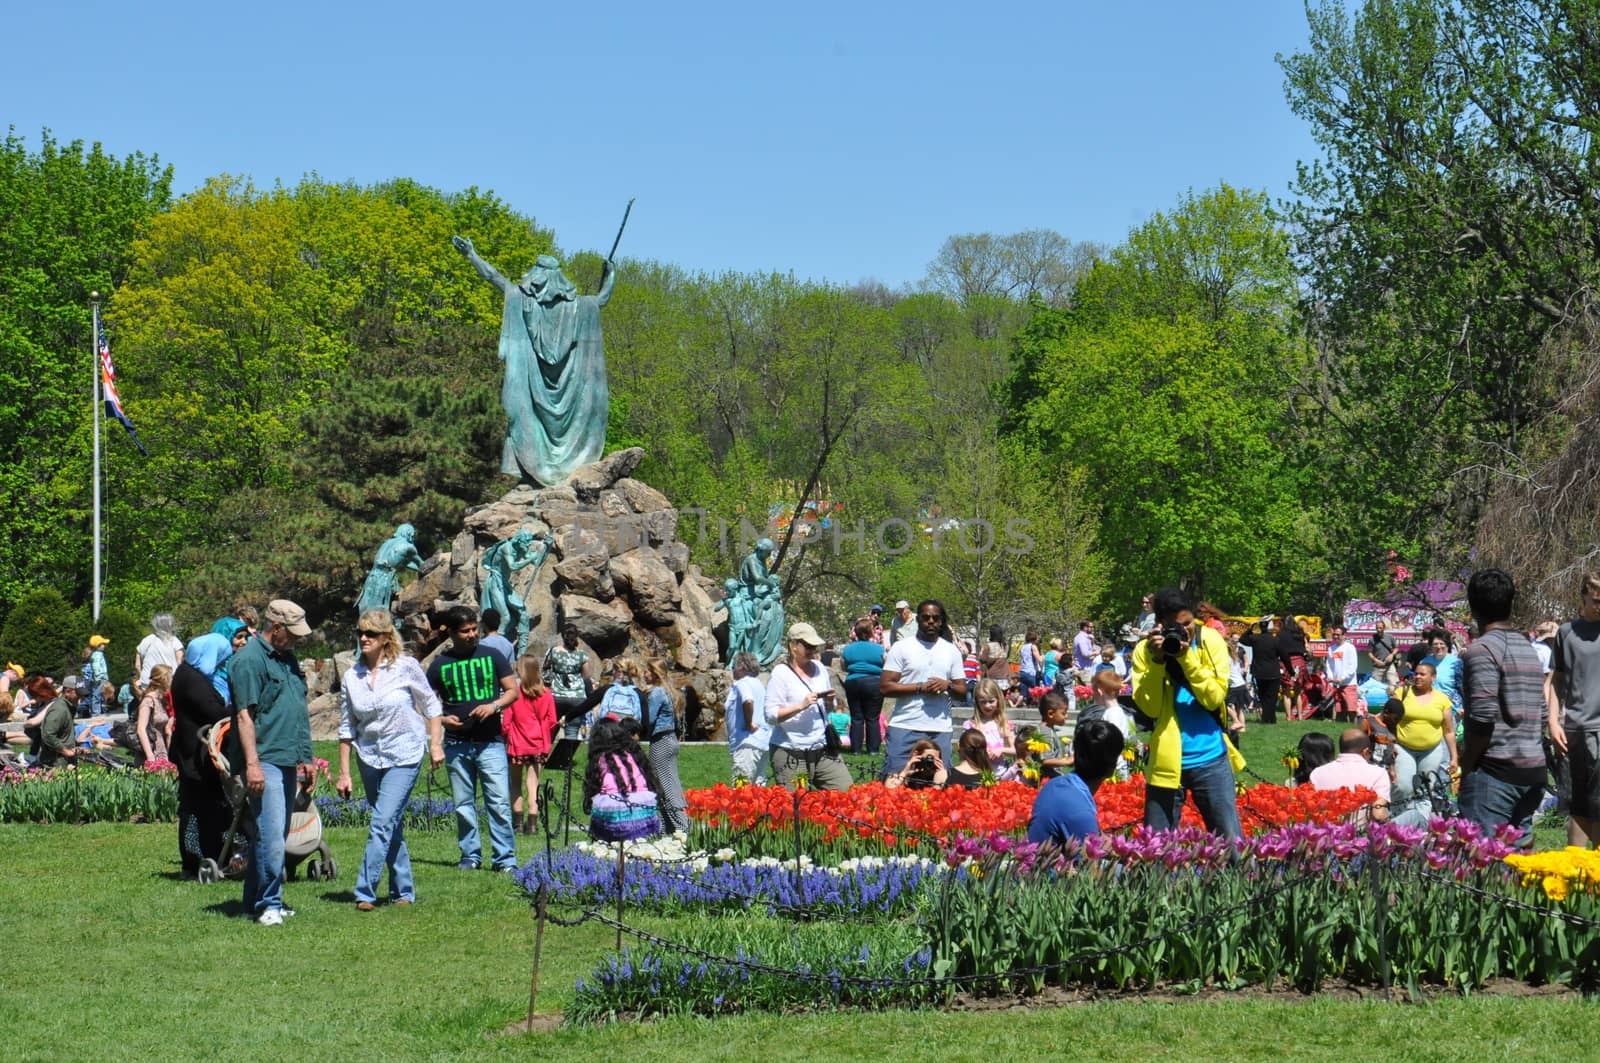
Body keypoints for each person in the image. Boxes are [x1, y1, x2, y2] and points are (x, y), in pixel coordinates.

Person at [451, 236, 616, 485]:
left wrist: (472, 255)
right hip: (564, 398)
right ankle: (558, 471)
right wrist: (610, 275)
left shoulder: (521, 300)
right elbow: (602, 299)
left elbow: (494, 276)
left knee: (518, 415)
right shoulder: (581, 307)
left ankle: (536, 474)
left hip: (530, 393)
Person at [335, 609, 445, 910]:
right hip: (370, 757)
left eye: (371, 633)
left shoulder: (405, 667)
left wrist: (435, 744)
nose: (364, 638)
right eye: (360, 633)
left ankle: (365, 892)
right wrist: (344, 773)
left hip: (405, 753)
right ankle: (403, 891)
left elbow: (432, 706)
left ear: (386, 638)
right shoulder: (351, 676)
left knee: (381, 821)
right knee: (391, 823)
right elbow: (346, 727)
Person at [1132, 586, 1245, 839]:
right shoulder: (1145, 651)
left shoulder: (1209, 640)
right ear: (1160, 624)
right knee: (1155, 850)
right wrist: (1158, 662)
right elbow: (1149, 707)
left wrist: (1187, 658)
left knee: (1232, 844)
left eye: (1187, 623)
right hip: (1165, 761)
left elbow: (1214, 698)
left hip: (1211, 757)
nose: (1183, 631)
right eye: (1175, 626)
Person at [230, 599, 316, 926]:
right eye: (291, 633)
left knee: (272, 833)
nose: (296, 639)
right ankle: (270, 904)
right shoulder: (248, 661)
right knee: (271, 835)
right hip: (263, 757)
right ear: (276, 628)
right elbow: (244, 717)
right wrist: (252, 764)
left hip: (287, 756)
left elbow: (297, 711)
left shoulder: (287, 659)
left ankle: (255, 900)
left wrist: (306, 758)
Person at [425, 605, 518, 873]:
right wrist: (441, 719)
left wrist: (494, 706)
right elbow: (424, 701)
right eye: (465, 631)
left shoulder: (493, 655)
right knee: (463, 805)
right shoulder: (440, 664)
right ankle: (470, 855)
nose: (472, 635)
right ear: (452, 633)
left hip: (490, 742)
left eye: (474, 629)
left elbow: (513, 691)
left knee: (499, 802)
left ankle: (505, 860)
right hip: (456, 744)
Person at [1457, 569, 1547, 843]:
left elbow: (1482, 719)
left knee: (1483, 863)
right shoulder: (1529, 649)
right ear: (1510, 603)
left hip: (1495, 772)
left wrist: (1467, 766)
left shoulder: (1481, 650)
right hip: (1532, 769)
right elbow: (1542, 713)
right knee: (1517, 865)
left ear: (1473, 607)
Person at [171, 633, 236, 878]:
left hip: (194, 752)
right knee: (199, 807)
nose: (221, 662)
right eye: (220, 657)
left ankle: (210, 854)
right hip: (194, 756)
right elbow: (213, 711)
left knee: (202, 805)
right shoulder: (192, 680)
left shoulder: (189, 674)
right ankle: (196, 858)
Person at [879, 599, 967, 777]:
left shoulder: (951, 651)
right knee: (894, 779)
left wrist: (947, 685)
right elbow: (885, 687)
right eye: (926, 617)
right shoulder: (901, 647)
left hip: (940, 728)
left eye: (936, 618)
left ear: (942, 621)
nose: (931, 622)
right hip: (905, 724)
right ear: (918, 619)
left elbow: (962, 691)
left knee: (940, 783)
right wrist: (920, 687)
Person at [765, 622, 852, 790]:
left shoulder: (820, 668)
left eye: (815, 646)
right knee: (797, 808)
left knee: (847, 793)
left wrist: (828, 701)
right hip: (791, 750)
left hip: (823, 747)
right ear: (793, 645)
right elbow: (770, 716)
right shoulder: (780, 674)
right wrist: (801, 705)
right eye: (808, 645)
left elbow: (828, 708)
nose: (813, 650)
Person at [1549, 571, 1600, 847]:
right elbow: (1556, 681)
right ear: (1583, 596)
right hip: (1574, 730)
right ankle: (1576, 873)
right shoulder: (1566, 633)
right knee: (1578, 806)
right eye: (1596, 600)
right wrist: (1553, 722)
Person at [1025, 719, 1125, 845]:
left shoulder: (1052, 785)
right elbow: (1092, 859)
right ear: (1111, 769)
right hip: (1054, 864)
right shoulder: (1080, 812)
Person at [1389, 661, 1459, 827]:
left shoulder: (1442, 700)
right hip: (1404, 748)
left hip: (1431, 750)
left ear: (1433, 677)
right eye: (1416, 673)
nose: (1417, 677)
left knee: (1426, 789)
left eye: (1422, 674)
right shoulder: (1402, 693)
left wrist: (1454, 757)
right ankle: (1399, 824)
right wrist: (1390, 744)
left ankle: (1421, 825)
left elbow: (1448, 730)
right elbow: (1388, 720)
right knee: (1403, 786)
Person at [503, 652, 558, 835]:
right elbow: (552, 720)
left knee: (515, 783)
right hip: (539, 744)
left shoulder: (514, 693)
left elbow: (507, 722)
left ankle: (517, 823)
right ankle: (532, 824)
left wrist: (506, 735)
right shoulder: (547, 694)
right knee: (532, 783)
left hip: (517, 744)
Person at [583, 716, 662, 842]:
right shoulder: (632, 754)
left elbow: (594, 791)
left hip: (614, 817)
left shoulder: (600, 758)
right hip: (644, 813)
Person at [640, 657, 687, 833]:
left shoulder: (657, 693)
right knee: (661, 784)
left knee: (666, 785)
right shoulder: (667, 691)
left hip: (660, 741)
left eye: (646, 671)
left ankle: (683, 826)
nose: (643, 674)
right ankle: (666, 827)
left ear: (654, 673)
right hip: (669, 740)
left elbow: (648, 719)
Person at [1310, 729, 1392, 822]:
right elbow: (1379, 815)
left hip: (1324, 834)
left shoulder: (1317, 773)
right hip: (1360, 834)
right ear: (1366, 751)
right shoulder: (1379, 773)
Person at [840, 617, 886, 754]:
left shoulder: (848, 649)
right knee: (872, 717)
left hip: (853, 682)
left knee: (856, 717)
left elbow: (843, 666)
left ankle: (856, 749)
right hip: (874, 682)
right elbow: (886, 664)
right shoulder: (879, 649)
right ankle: (873, 749)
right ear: (870, 632)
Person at [725, 651, 770, 784]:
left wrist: (749, 722)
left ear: (742, 667)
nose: (732, 669)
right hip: (762, 742)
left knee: (741, 788)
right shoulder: (759, 684)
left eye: (734, 666)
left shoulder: (742, 683)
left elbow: (748, 701)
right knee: (758, 788)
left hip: (747, 742)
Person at [544, 625, 592, 741]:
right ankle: (567, 758)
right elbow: (586, 677)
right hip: (577, 697)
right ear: (577, 637)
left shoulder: (553, 651)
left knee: (551, 730)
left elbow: (545, 671)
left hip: (556, 696)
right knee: (572, 733)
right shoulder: (582, 655)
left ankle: (546, 757)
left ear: (562, 636)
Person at [1241, 618, 1291, 724]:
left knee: (1263, 696)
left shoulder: (1255, 639)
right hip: (1273, 672)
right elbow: (1285, 657)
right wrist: (1291, 671)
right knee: (1272, 697)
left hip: (1259, 672)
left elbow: (1242, 639)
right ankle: (1270, 718)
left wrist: (1250, 629)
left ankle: (1266, 717)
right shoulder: (1276, 640)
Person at [963, 678, 1015, 766]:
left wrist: (1001, 750)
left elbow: (1015, 750)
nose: (987, 705)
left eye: (991, 701)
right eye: (983, 702)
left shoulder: (1004, 724)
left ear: (998, 700)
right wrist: (980, 752)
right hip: (978, 772)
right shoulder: (971, 725)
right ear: (977, 703)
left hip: (1000, 773)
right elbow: (964, 751)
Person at [35, 677, 83, 767]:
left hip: (65, 761)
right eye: (78, 694)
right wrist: (65, 751)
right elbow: (48, 734)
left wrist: (76, 747)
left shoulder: (68, 707)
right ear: (67, 691)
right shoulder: (59, 709)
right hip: (54, 762)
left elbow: (64, 734)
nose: (81, 697)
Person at [133, 664, 172, 764]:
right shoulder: (148, 701)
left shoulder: (162, 700)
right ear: (164, 679)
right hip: (150, 751)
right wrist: (150, 756)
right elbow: (141, 729)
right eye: (170, 677)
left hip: (162, 748)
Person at [134, 613, 183, 690]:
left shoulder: (146, 640)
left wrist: (140, 677)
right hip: (167, 682)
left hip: (147, 682)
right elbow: (179, 664)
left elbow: (137, 665)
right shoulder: (174, 641)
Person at [1324, 623, 1362, 720]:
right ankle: (1341, 729)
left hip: (1349, 684)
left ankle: (1355, 729)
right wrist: (1331, 677)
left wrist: (1342, 678)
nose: (1336, 636)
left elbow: (1353, 667)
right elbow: (1329, 665)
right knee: (1340, 710)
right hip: (1336, 684)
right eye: (1334, 635)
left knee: (1351, 710)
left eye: (1338, 634)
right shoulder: (1331, 649)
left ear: (1344, 635)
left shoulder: (1350, 648)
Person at [1036, 690, 1074, 779]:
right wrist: (1067, 761)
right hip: (1047, 780)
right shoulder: (1045, 732)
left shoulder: (1049, 729)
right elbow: (1045, 760)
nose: (1066, 716)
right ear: (1051, 714)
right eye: (1063, 713)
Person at [80, 635, 110, 717]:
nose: (104, 646)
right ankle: (96, 712)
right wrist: (98, 677)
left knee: (98, 694)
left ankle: (97, 711)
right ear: (98, 645)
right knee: (96, 695)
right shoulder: (97, 655)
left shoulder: (97, 654)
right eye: (102, 644)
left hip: (99, 677)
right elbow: (96, 666)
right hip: (99, 678)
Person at [1369, 620, 1400, 686]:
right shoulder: (1372, 639)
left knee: (1393, 684)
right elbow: (1370, 653)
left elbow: (1396, 648)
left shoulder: (1390, 637)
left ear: (1384, 628)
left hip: (1390, 665)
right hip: (1378, 666)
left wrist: (1392, 655)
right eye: (1377, 628)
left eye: (1380, 628)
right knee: (1375, 685)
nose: (1378, 629)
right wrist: (1376, 660)